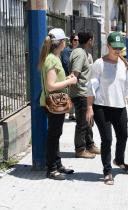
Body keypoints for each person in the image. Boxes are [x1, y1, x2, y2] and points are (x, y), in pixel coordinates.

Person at [86, 32, 128, 185]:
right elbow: (91, 87)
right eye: (114, 47)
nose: (117, 50)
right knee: (107, 140)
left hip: (119, 107)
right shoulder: (99, 63)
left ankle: (118, 160)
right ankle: (107, 171)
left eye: (120, 47)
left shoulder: (125, 65)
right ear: (108, 46)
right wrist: (89, 107)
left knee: (124, 136)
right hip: (102, 107)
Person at [39, 28, 77, 180]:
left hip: (54, 103)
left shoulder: (51, 58)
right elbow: (50, 86)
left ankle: (57, 164)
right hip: (54, 103)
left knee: (56, 134)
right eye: (65, 41)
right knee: (54, 136)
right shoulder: (52, 60)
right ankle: (51, 169)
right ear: (61, 43)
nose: (66, 43)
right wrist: (70, 80)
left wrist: (66, 78)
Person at [69, 31, 100, 158]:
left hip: (85, 92)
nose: (93, 42)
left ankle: (90, 145)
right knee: (82, 122)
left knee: (88, 121)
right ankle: (80, 149)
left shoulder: (83, 52)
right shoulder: (80, 54)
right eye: (92, 40)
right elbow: (74, 74)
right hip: (80, 93)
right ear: (89, 40)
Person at [61, 34, 79, 121]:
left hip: (76, 76)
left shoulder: (79, 51)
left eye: (78, 40)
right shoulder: (66, 51)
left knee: (74, 95)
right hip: (69, 76)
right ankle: (67, 112)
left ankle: (72, 113)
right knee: (68, 95)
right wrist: (72, 74)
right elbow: (66, 63)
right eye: (75, 40)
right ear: (72, 40)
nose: (77, 41)